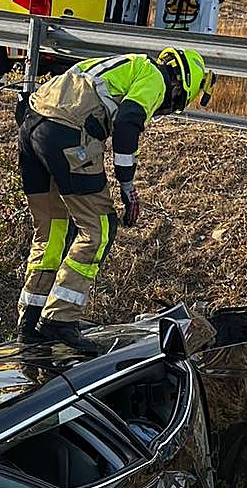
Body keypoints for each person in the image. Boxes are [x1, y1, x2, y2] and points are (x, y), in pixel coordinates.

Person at [15, 48, 213, 353]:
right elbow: (128, 122)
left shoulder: (124, 63)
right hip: (66, 132)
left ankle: (29, 321)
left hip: (32, 126)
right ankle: (60, 318)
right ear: (184, 84)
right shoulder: (155, 78)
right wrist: (128, 186)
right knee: (100, 227)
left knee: (52, 228)